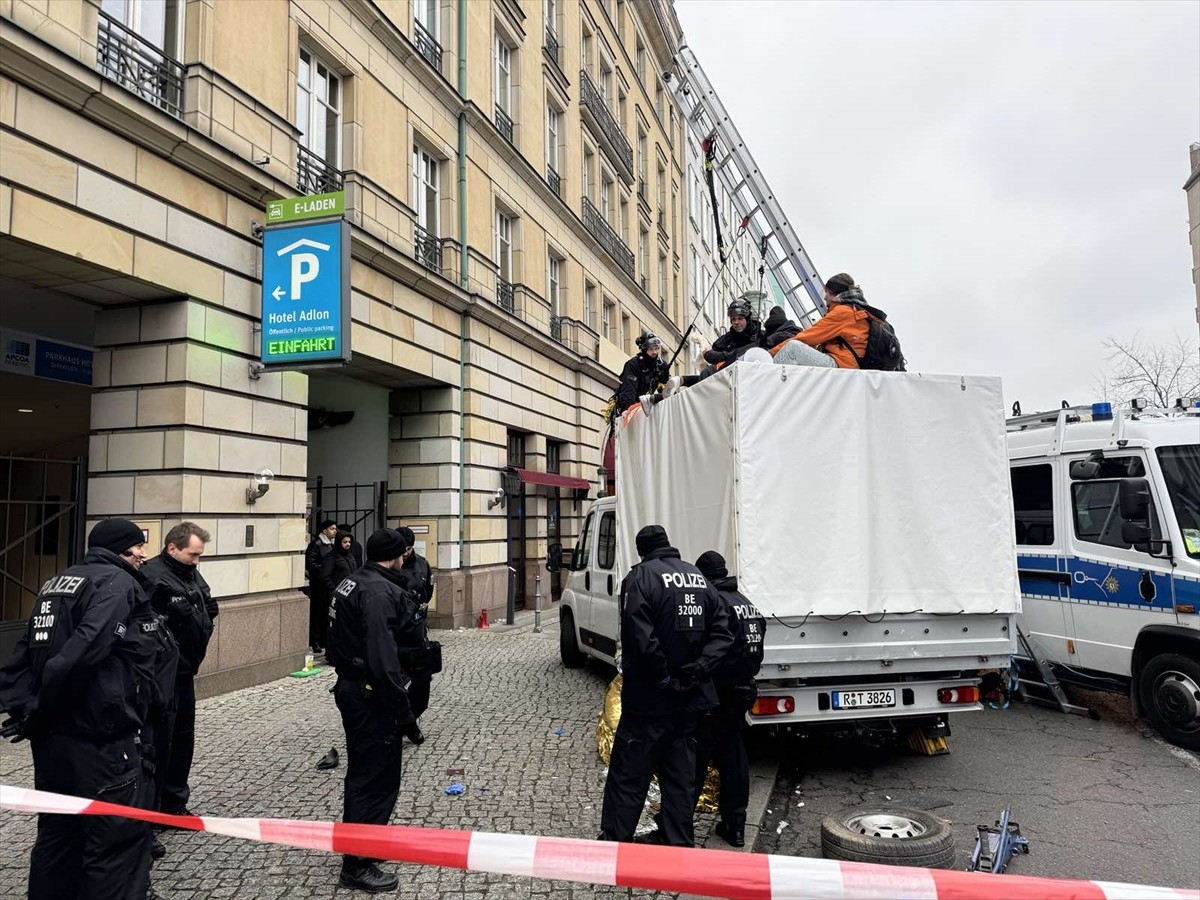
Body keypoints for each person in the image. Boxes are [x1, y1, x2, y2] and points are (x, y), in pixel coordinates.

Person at [0, 518, 158, 900]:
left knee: (58, 835)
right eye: (137, 546)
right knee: (114, 841)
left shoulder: (58, 582)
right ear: (120, 548)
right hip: (100, 737)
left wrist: (29, 710)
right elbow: (82, 651)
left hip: (55, 739)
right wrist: (41, 708)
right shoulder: (117, 583)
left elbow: (24, 654)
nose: (142, 554)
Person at [598, 525, 734, 847]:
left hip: (648, 702)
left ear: (642, 550)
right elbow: (723, 634)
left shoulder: (640, 579)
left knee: (629, 775)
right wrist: (698, 670)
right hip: (690, 702)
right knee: (679, 779)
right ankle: (678, 843)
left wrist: (662, 677)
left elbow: (639, 638)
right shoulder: (698, 579)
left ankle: (617, 841)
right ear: (669, 546)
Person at [327, 528, 426, 893]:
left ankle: (366, 845)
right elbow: (382, 659)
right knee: (374, 778)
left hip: (354, 687)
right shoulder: (378, 592)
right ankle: (356, 865)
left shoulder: (354, 582)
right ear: (397, 554)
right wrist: (403, 706)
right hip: (371, 695)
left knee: (367, 772)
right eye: (404, 552)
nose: (407, 557)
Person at [691, 551, 766, 848]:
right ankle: (735, 825)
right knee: (734, 758)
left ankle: (678, 826)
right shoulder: (745, 603)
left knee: (694, 759)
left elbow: (706, 646)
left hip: (717, 693)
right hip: (743, 690)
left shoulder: (715, 603)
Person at [141, 522, 215, 818]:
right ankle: (152, 808)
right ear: (172, 548)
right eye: (192, 554)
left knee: (183, 738)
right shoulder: (151, 575)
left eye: (199, 556)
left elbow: (208, 604)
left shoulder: (189, 572)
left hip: (185, 671)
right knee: (159, 740)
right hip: (161, 674)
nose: (196, 561)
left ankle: (174, 802)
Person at [770, 273, 868, 368]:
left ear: (836, 295)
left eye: (828, 292)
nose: (825, 297)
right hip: (849, 364)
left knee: (792, 348)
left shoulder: (842, 313)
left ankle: (767, 379)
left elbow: (806, 338)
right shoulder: (856, 310)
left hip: (841, 364)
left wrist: (769, 355)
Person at [396, 526, 437, 727]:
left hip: (417, 627)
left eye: (409, 548)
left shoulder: (422, 564)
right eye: (402, 548)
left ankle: (414, 714)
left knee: (422, 676)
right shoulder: (389, 565)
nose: (405, 553)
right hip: (395, 629)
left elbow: (428, 591)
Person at [615, 332, 671, 415]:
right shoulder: (633, 364)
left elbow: (665, 386)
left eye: (656, 348)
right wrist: (627, 409)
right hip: (632, 403)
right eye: (651, 349)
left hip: (648, 404)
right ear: (644, 350)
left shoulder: (661, 365)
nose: (654, 352)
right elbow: (629, 388)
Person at [305, 519, 338, 654]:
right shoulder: (316, 544)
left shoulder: (333, 545)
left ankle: (325, 639)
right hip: (319, 585)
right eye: (332, 529)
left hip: (328, 585)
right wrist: (325, 570)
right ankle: (315, 641)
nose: (334, 531)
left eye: (335, 529)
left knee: (327, 613)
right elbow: (311, 563)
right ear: (324, 531)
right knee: (317, 613)